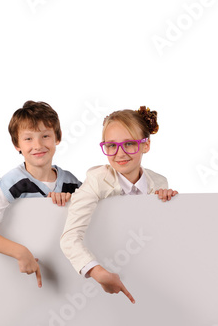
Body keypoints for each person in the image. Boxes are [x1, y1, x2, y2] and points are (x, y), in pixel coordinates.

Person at [60, 106, 178, 303]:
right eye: (111, 146)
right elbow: (69, 238)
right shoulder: (96, 180)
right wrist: (98, 271)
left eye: (129, 144)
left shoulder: (159, 183)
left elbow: (161, 237)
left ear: (145, 145)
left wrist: (167, 203)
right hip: (105, 279)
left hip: (151, 279)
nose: (120, 153)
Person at [0, 100, 81, 288]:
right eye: (28, 139)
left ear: (57, 138)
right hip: (21, 276)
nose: (38, 145)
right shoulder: (12, 182)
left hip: (66, 275)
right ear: (16, 144)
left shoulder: (71, 182)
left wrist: (70, 200)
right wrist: (20, 252)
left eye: (45, 136)